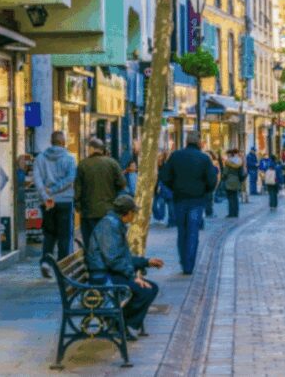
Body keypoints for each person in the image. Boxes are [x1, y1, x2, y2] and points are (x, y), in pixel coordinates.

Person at [85, 195, 164, 340]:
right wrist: (133, 277)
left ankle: (126, 323)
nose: (134, 215)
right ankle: (125, 323)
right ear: (126, 213)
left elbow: (122, 257)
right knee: (145, 291)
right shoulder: (109, 226)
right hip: (103, 276)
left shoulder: (115, 224)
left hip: (110, 272)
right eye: (133, 212)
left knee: (151, 288)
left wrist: (146, 262)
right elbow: (113, 259)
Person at [161, 130, 218, 275]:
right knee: (193, 232)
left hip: (179, 199)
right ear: (199, 142)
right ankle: (189, 265)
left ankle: (183, 261)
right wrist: (205, 191)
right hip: (197, 200)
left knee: (182, 231)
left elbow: (165, 176)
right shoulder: (204, 158)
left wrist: (174, 188)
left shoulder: (176, 156)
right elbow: (212, 180)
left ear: (186, 141)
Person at [34, 131, 77, 278]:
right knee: (65, 235)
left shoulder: (40, 158)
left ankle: (46, 262)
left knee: (49, 234)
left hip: (48, 202)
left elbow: (37, 180)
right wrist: (55, 189)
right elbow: (71, 178)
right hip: (65, 201)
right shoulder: (69, 158)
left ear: (51, 142)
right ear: (63, 142)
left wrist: (46, 195)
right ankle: (62, 267)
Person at [75, 138, 126, 249]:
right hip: (108, 210)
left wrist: (78, 206)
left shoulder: (83, 165)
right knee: (107, 243)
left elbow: (77, 189)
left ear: (91, 149)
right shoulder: (112, 163)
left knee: (90, 243)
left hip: (88, 212)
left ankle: (93, 264)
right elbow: (122, 183)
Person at [222, 149, 245, 218]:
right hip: (237, 181)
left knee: (230, 198)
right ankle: (236, 213)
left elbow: (225, 173)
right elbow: (241, 173)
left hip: (229, 181)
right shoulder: (239, 162)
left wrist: (222, 177)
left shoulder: (228, 163)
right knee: (235, 198)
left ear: (229, 155)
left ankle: (231, 213)